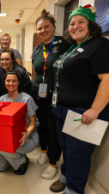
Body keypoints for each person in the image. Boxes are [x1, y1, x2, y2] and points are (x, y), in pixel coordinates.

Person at [50, 5, 109, 194]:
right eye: (72, 23)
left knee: (78, 155)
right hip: (63, 108)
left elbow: (107, 80)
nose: (75, 26)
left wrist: (95, 110)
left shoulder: (100, 45)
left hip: (83, 111)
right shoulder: (74, 47)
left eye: (80, 22)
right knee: (66, 149)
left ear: (91, 25)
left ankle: (74, 190)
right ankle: (66, 176)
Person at [30, 10, 71, 179]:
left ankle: (53, 162)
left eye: (46, 27)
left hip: (57, 95)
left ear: (54, 27)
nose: (43, 31)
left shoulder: (65, 44)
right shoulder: (38, 49)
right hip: (40, 94)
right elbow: (37, 72)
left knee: (54, 128)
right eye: (40, 28)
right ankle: (44, 151)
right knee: (43, 125)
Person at [0, 70, 39, 175]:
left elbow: (32, 123)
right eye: (8, 81)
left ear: (19, 82)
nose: (11, 84)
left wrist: (27, 133)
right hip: (7, 136)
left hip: (26, 136)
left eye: (14, 81)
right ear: (4, 82)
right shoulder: (1, 99)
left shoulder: (27, 99)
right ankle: (14, 156)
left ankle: (22, 162)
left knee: (2, 146)